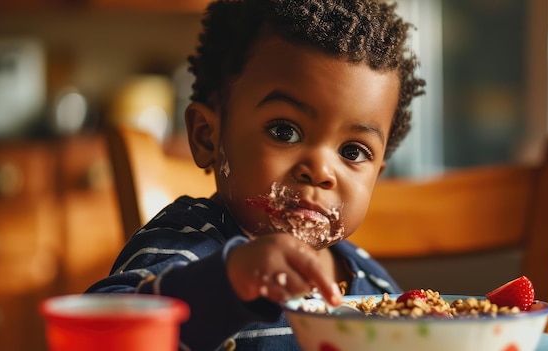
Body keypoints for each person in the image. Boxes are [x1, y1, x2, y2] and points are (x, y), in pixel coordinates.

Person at [86, 0, 425, 349]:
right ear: (207, 135)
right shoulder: (188, 248)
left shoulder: (376, 288)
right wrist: (229, 281)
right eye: (284, 131)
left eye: (352, 152)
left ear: (376, 176)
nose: (322, 171)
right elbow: (98, 335)